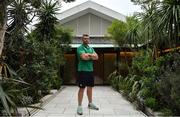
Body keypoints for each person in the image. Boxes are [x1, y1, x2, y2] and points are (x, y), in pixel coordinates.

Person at [76, 34, 99, 115]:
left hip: (90, 70)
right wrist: (91, 56)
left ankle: (90, 104)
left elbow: (96, 57)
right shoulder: (80, 48)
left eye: (87, 39)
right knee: (82, 88)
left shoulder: (91, 48)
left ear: (89, 40)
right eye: (85, 39)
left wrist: (88, 55)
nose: (86, 40)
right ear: (82, 39)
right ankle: (79, 106)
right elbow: (83, 57)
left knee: (90, 88)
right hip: (82, 70)